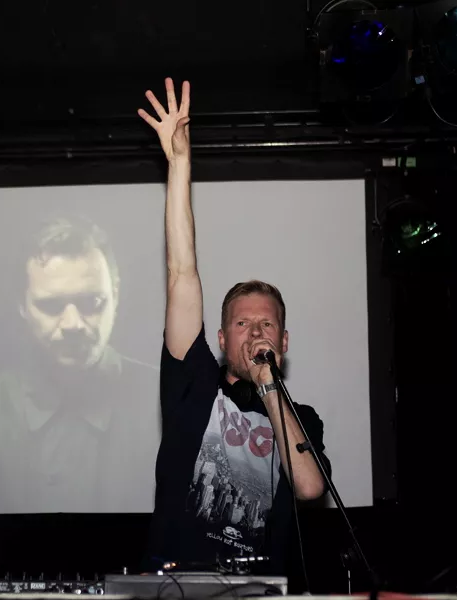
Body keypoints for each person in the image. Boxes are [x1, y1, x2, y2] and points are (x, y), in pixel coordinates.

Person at [138, 78, 330, 574]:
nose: (256, 332)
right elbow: (182, 274)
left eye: (267, 324)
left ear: (283, 340)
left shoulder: (302, 418)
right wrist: (179, 164)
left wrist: (269, 388)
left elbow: (310, 487)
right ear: (222, 340)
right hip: (178, 587)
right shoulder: (194, 384)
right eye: (242, 323)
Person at [0, 215, 160, 514]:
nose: (72, 324)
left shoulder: (170, 403)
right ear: (22, 305)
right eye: (51, 305)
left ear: (116, 295)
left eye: (92, 302)